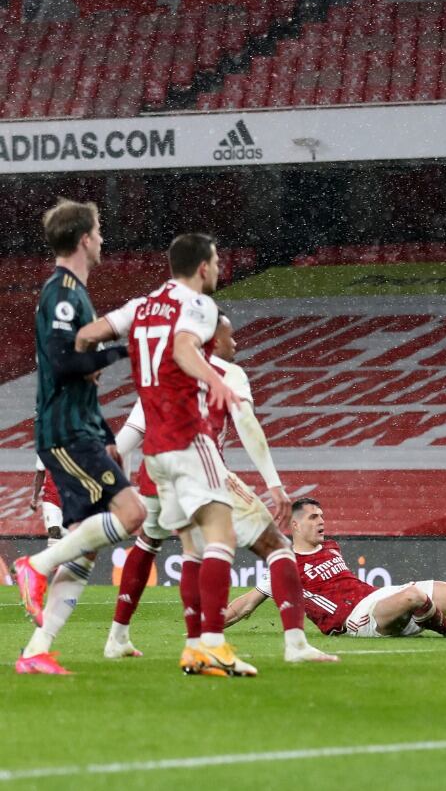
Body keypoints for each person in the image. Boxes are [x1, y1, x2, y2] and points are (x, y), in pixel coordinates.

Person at [86, 309, 335, 666]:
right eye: (230, 336)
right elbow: (249, 427)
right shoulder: (228, 374)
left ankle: (118, 637)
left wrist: (107, 476)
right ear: (212, 339)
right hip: (203, 471)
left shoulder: (163, 376)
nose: (235, 343)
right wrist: (274, 484)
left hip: (156, 473)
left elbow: (129, 437)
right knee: (277, 546)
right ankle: (290, 645)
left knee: (157, 544)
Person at [78, 233, 253, 676]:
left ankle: (191, 644)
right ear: (202, 268)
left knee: (186, 543)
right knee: (221, 535)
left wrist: (87, 373)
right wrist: (214, 382)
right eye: (215, 262)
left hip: (154, 448)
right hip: (191, 436)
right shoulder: (199, 305)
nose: (217, 269)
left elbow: (89, 334)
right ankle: (212, 643)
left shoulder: (142, 305)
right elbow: (182, 348)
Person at [13, 199, 147, 675]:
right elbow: (65, 361)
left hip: (82, 427)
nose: (104, 238)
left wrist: (104, 419)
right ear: (84, 238)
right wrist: (119, 354)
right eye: (100, 230)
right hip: (66, 432)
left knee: (87, 545)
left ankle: (35, 651)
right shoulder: (64, 292)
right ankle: (37, 565)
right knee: (134, 514)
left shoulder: (75, 292)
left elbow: (72, 368)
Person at [225, 498, 446, 639]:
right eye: (314, 517)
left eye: (323, 515)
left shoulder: (331, 547)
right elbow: (245, 605)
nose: (323, 521)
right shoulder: (282, 567)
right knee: (414, 596)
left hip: (376, 598)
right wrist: (206, 628)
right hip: (355, 622)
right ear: (295, 526)